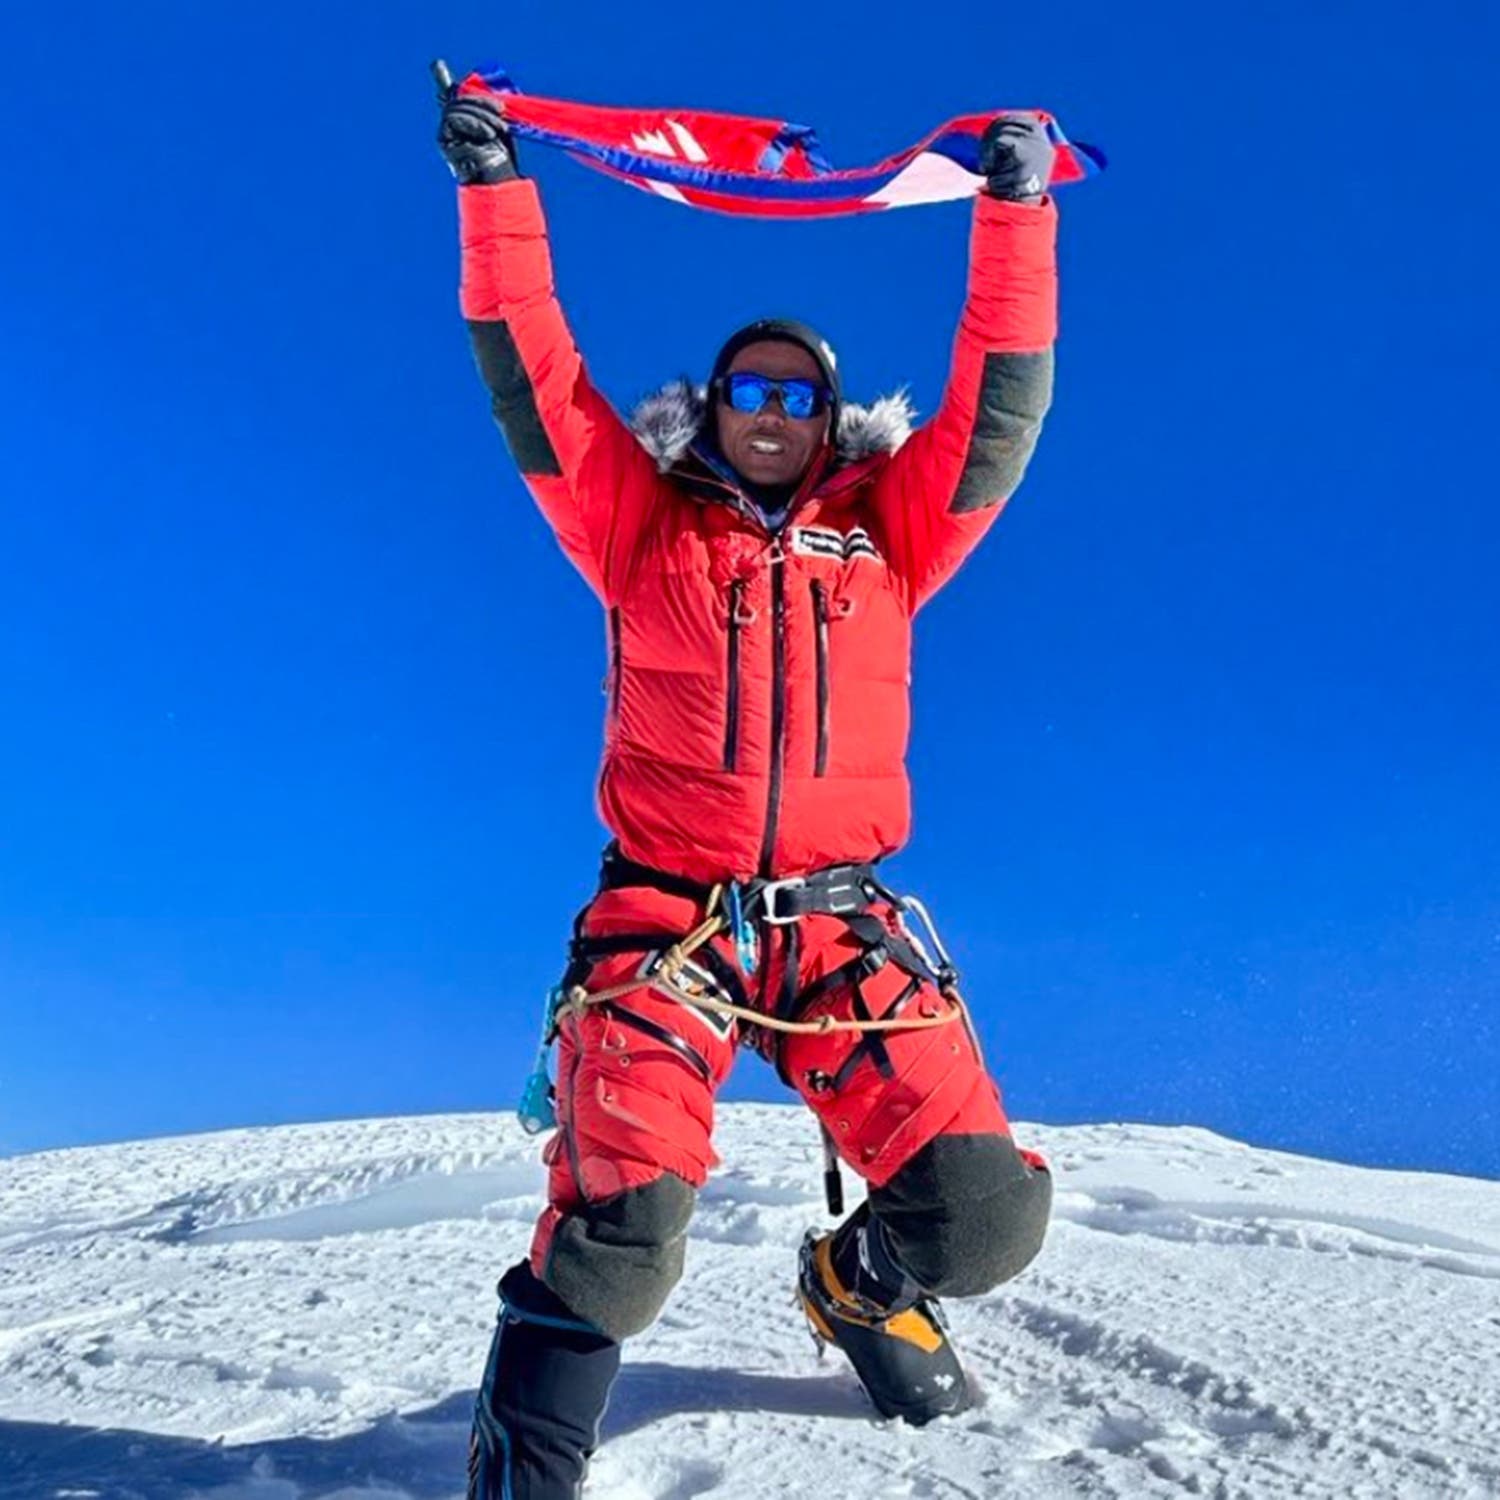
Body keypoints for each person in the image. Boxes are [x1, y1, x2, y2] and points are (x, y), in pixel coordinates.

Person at [438, 83, 1060, 1500]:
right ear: (711, 408)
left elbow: (1001, 396)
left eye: (800, 393)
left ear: (831, 419)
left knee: (983, 1226)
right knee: (622, 1233)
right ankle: (518, 1473)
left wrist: (1017, 213)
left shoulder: (893, 535)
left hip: (843, 930)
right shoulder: (634, 523)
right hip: (668, 923)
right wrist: (494, 189)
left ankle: (857, 1280)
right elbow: (528, 372)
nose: (772, 411)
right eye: (747, 388)